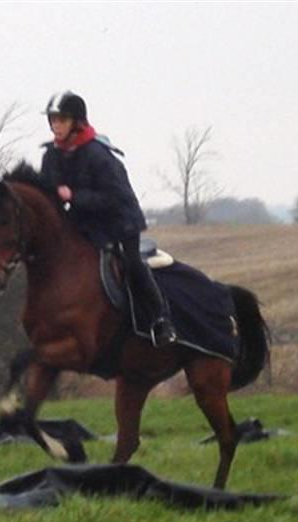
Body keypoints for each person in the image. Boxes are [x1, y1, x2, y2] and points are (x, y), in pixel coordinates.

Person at [39, 90, 177, 348]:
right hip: (84, 221)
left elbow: (114, 198)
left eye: (61, 120)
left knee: (133, 264)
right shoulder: (51, 155)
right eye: (53, 120)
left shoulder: (98, 154)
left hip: (119, 221)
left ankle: (161, 320)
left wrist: (74, 196)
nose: (56, 125)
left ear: (77, 122)